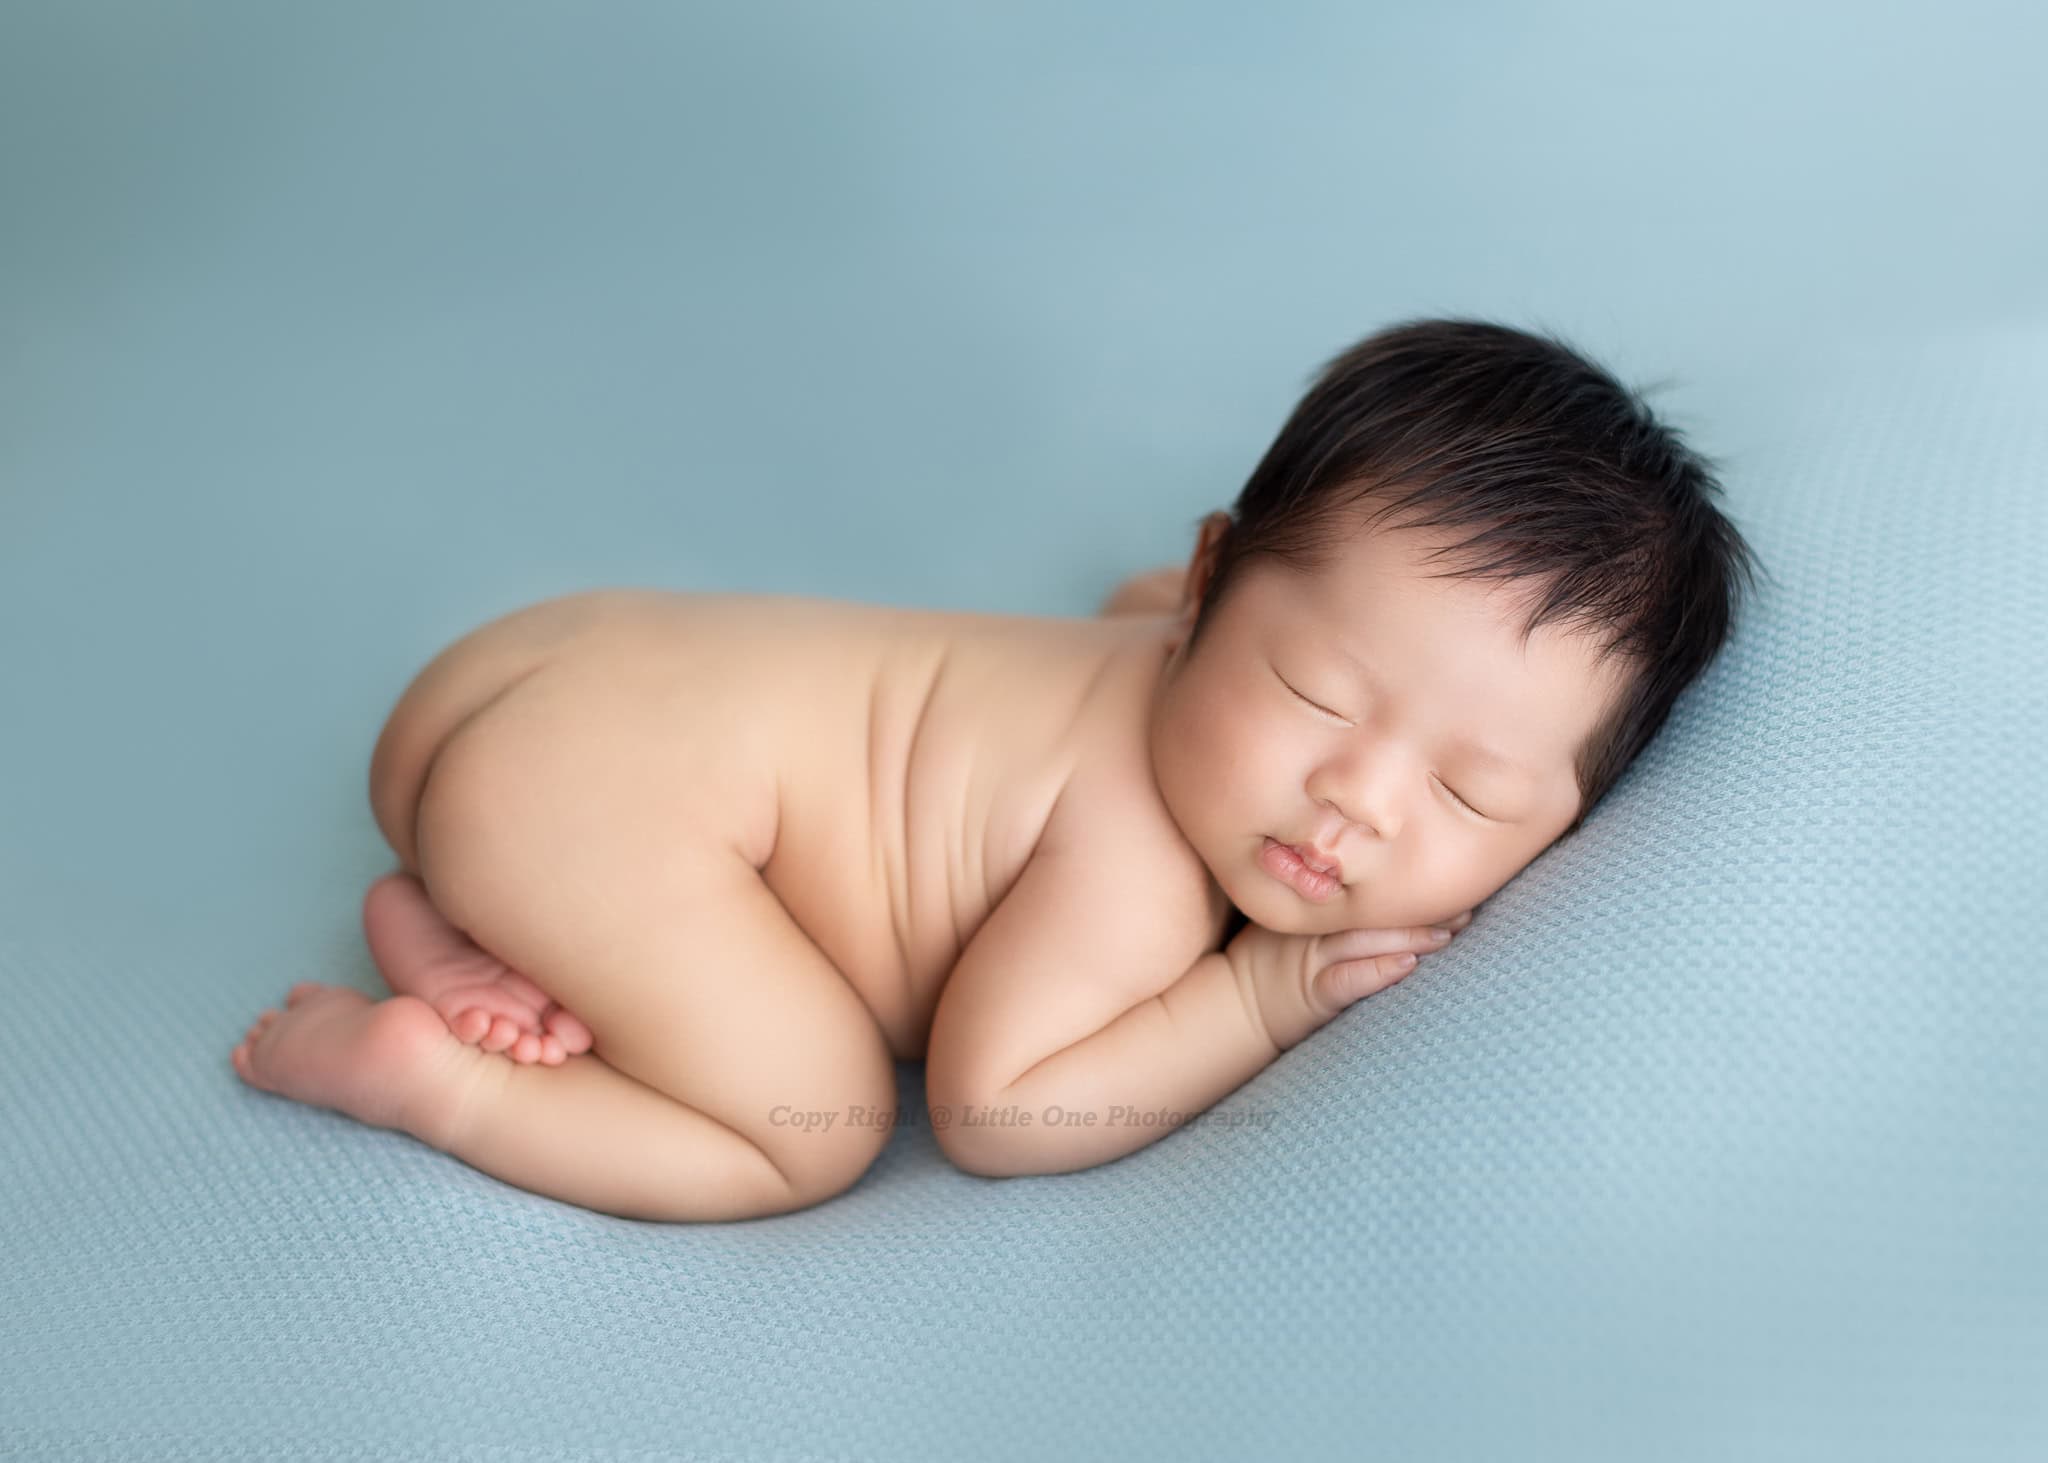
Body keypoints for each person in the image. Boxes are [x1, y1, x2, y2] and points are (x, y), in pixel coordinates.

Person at [230, 317, 1763, 1222]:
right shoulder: (1141, 864)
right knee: (812, 1128)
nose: (1355, 802)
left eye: (1469, 797)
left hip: (536, 672)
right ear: (1211, 584)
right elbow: (997, 1112)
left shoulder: (1152, 639)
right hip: (587, 799)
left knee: (666, 872)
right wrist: (1256, 997)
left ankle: (462, 920)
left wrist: (1258, 670)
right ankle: (439, 1081)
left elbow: (1133, 618)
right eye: (1310, 693)